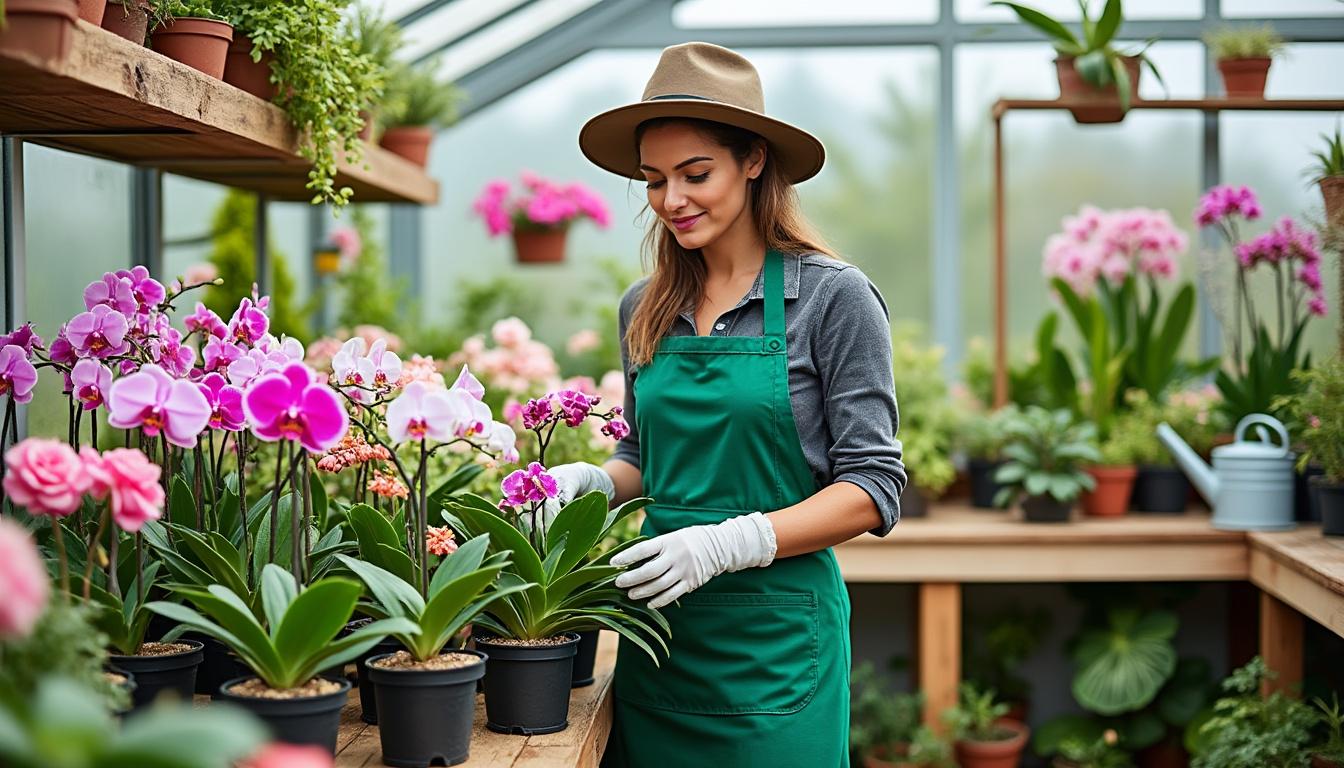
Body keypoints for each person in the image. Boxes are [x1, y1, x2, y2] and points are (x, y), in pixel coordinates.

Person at [547, 42, 906, 766]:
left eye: (695, 173)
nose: (671, 200)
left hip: (778, 652)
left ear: (753, 161)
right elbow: (643, 457)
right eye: (654, 180)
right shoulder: (644, 306)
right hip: (661, 639)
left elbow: (874, 487)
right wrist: (587, 485)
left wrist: (729, 542)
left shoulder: (832, 298)